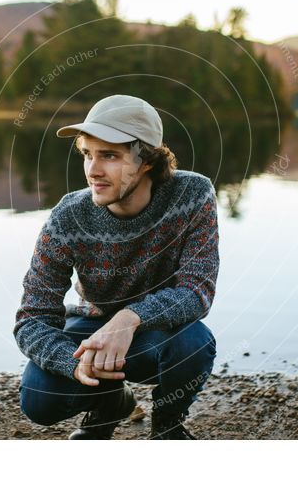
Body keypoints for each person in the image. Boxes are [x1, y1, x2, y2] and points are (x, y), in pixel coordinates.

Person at [14, 94, 219, 439]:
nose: (93, 170)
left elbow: (197, 291)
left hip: (154, 333)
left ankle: (168, 426)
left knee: (193, 342)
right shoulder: (68, 216)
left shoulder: (193, 195)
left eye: (109, 155)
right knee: (39, 399)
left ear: (147, 161)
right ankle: (110, 404)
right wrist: (74, 362)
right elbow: (31, 318)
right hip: (89, 325)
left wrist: (129, 319)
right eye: (87, 154)